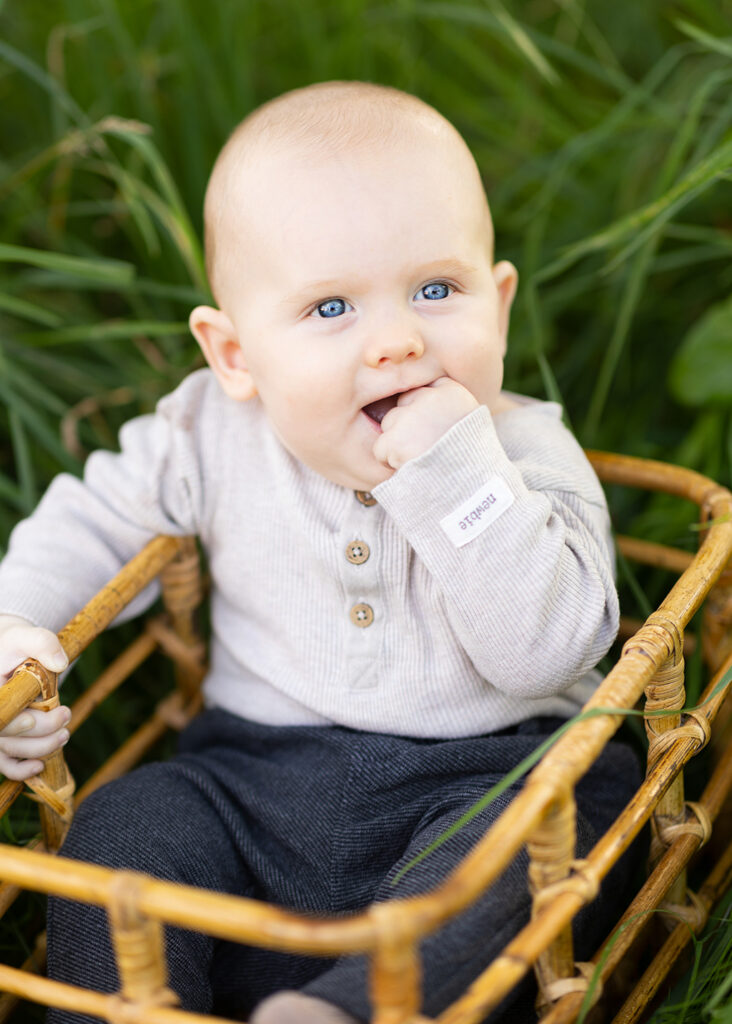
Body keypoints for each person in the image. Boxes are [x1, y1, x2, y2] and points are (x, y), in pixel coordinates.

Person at [0, 81, 640, 1023]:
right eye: (331, 308)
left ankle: (347, 1010)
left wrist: (456, 475)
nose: (396, 341)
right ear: (236, 356)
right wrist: (18, 625)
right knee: (126, 820)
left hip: (484, 775)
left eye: (436, 290)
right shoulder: (209, 430)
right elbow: (92, 520)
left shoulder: (522, 454)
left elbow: (547, 650)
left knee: (541, 843)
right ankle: (131, 1007)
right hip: (251, 782)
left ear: (497, 306)